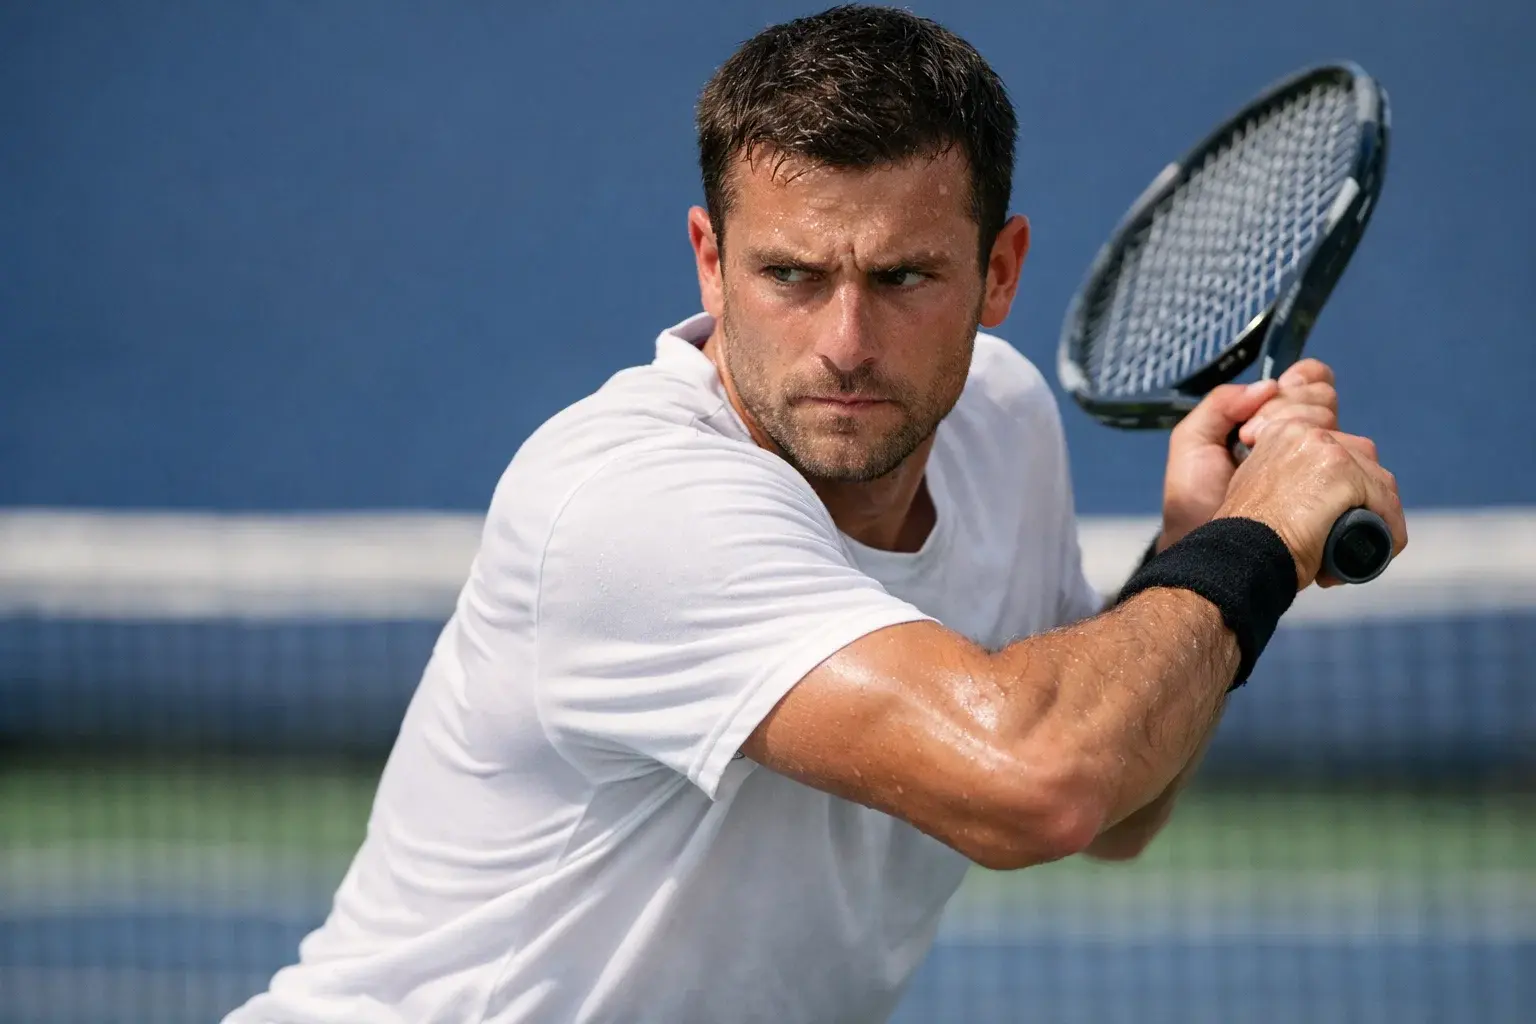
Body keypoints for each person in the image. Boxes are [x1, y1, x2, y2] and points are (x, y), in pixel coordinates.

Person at [225, 5, 1405, 1023]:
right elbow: (1042, 782)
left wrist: (1194, 542)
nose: (845, 342)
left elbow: (1117, 808)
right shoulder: (635, 504)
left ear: (999, 272)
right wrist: (1255, 542)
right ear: (710, 260)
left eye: (903, 277)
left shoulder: (1002, 422)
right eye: (791, 274)